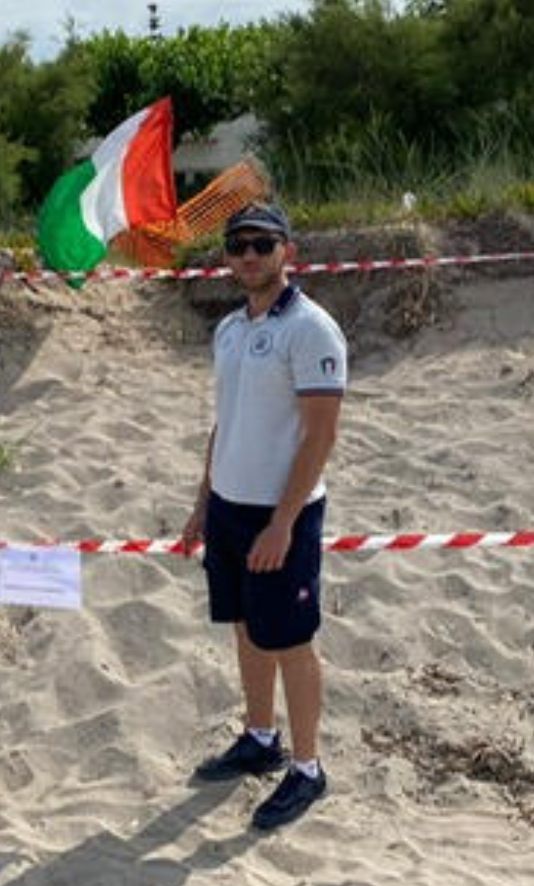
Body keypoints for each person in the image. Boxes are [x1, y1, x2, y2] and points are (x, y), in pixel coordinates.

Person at [181, 202, 346, 831]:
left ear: (287, 250)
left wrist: (282, 522)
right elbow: (228, 421)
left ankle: (307, 768)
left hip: (284, 513)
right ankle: (260, 738)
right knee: (247, 626)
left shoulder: (312, 329)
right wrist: (202, 502)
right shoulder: (230, 328)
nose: (248, 255)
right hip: (228, 506)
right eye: (237, 245)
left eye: (261, 243)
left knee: (292, 640)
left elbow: (319, 437)